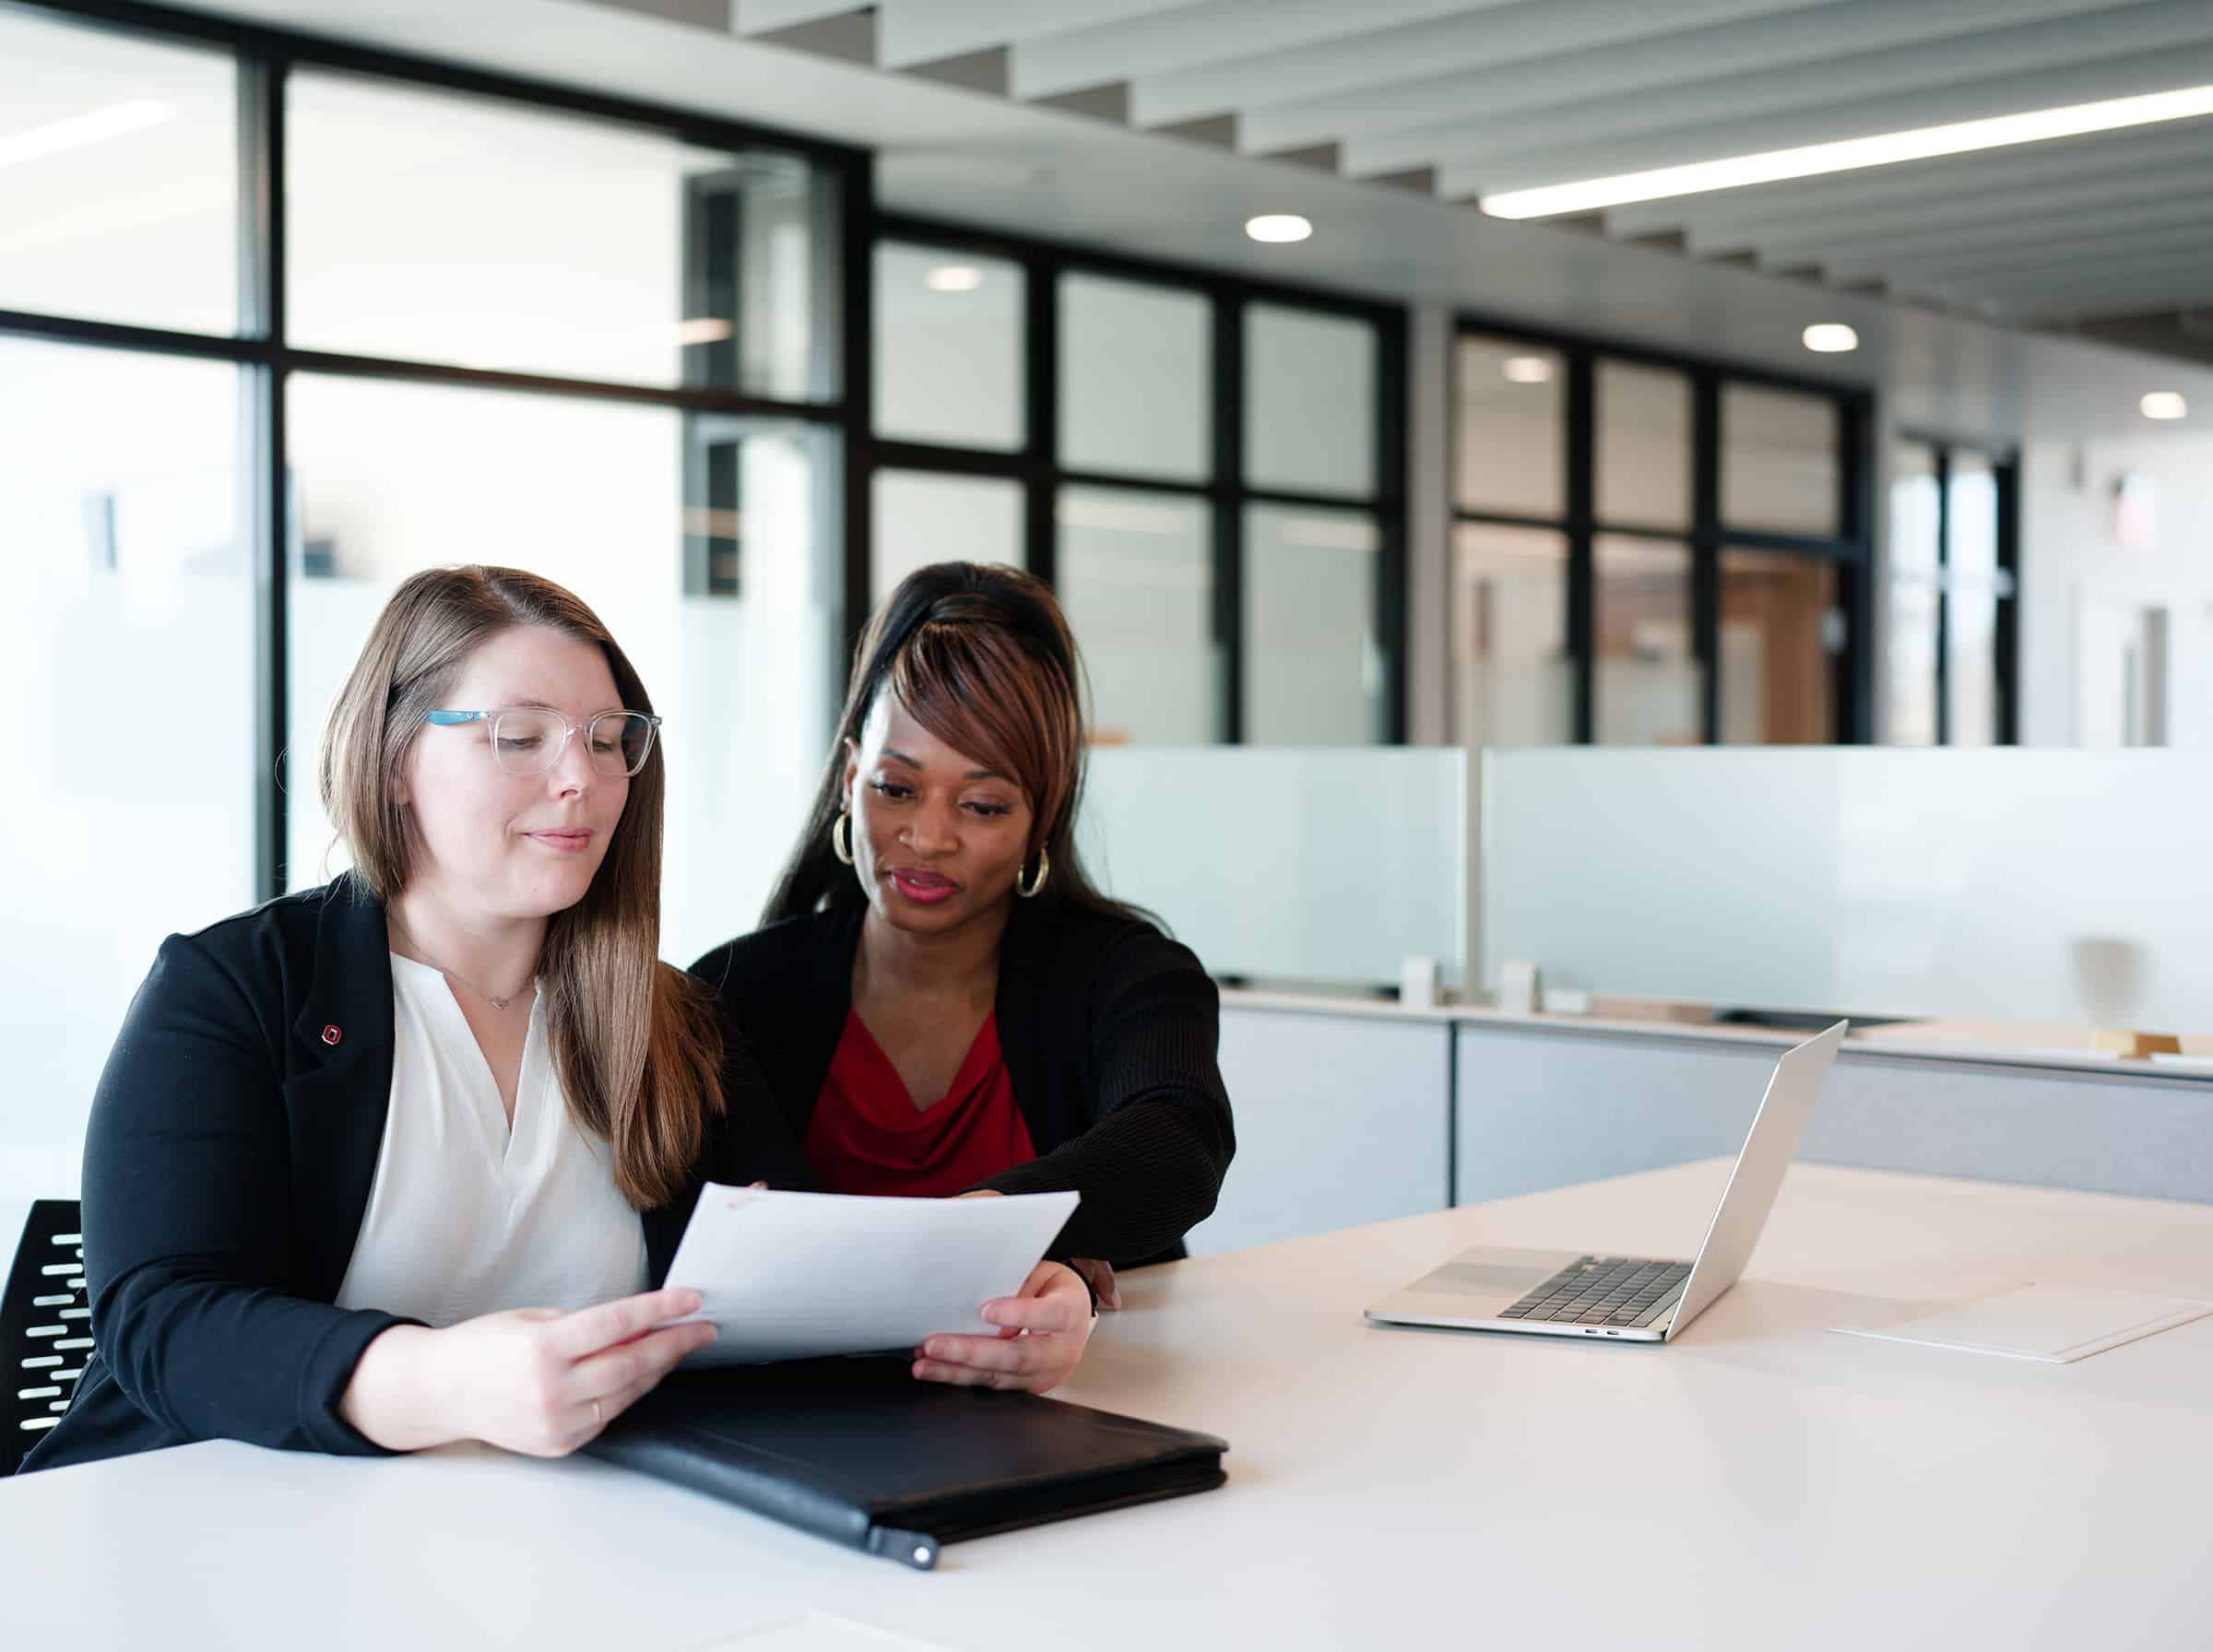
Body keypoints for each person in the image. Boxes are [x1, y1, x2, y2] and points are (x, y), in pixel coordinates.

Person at [33, 568, 766, 1470]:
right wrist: (444, 1381)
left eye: (609, 739)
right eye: (521, 737)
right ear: (393, 764)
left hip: (557, 1543)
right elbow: (164, 1319)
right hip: (220, 1522)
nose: (581, 777)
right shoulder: (235, 989)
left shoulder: (675, 1019)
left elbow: (780, 1285)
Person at [692, 561, 1236, 1391]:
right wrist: (1001, 1250)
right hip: (809, 1416)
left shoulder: (1128, 972)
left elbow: (1178, 1140)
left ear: (1041, 817)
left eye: (981, 805)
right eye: (896, 788)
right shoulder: (738, 991)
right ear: (848, 779)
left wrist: (993, 1231)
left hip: (1089, 1399)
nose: (928, 836)